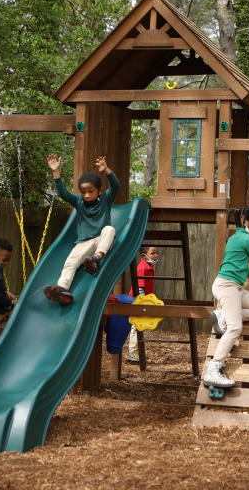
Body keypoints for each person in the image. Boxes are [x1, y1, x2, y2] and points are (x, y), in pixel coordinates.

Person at [202, 206, 249, 389]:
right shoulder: (248, 240)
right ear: (245, 221)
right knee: (235, 328)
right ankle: (214, 368)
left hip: (233, 288)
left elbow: (243, 265)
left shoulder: (235, 238)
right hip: (226, 286)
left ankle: (225, 315)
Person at [42, 154, 119, 305]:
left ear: (99, 190)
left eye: (91, 192)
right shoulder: (79, 202)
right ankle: (62, 290)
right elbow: (63, 193)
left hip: (101, 241)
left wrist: (106, 170)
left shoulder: (105, 199)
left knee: (109, 229)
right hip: (83, 242)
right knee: (70, 263)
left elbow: (115, 185)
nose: (87, 195)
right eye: (83, 192)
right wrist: (56, 172)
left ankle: (96, 259)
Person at [125, 246, 159, 363]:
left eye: (156, 253)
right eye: (153, 253)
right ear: (144, 256)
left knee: (143, 327)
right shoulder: (142, 267)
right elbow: (140, 288)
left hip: (145, 300)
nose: (155, 255)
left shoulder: (150, 267)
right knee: (136, 326)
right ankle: (132, 353)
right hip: (139, 300)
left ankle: (138, 353)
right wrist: (144, 303)